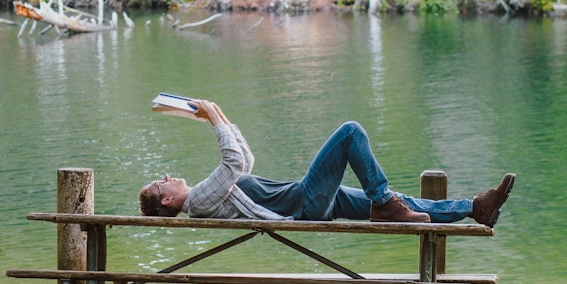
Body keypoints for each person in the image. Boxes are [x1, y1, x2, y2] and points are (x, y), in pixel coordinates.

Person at [139, 100, 515, 225]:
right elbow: (233, 162)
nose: (167, 177)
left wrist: (219, 115)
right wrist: (216, 122)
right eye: (161, 183)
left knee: (402, 202)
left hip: (313, 201)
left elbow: (244, 159)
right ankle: (384, 204)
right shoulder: (198, 201)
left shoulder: (206, 196)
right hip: (305, 205)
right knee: (350, 132)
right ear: (168, 202)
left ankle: (475, 207)